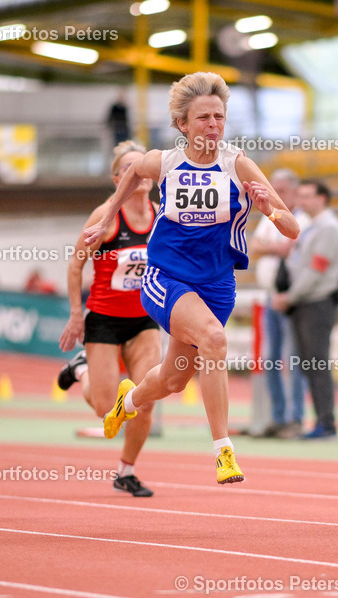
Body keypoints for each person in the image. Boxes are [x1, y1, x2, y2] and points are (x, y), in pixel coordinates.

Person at [82, 72, 300, 484]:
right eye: (203, 117)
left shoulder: (238, 165)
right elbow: (131, 173)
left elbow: (291, 229)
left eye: (219, 116)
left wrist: (268, 207)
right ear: (182, 124)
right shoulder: (165, 162)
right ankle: (224, 451)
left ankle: (127, 402)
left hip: (217, 286)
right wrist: (107, 217)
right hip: (167, 278)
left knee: (173, 379)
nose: (213, 125)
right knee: (215, 340)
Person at [57, 140, 161, 497]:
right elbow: (76, 263)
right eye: (131, 168)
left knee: (144, 401)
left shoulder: (164, 216)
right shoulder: (104, 218)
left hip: (146, 319)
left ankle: (125, 472)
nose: (140, 174)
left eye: (144, 167)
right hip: (104, 319)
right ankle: (81, 369)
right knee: (107, 410)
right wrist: (76, 314)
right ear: (118, 179)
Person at [273, 180, 338, 440]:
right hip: (305, 302)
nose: (301, 201)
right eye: (300, 196)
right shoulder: (312, 226)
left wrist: (289, 297)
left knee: (317, 363)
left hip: (317, 302)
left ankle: (327, 423)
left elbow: (316, 271)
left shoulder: (328, 229)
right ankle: (323, 421)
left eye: (307, 196)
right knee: (310, 364)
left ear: (322, 198)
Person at [248, 167, 307, 439]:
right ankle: (278, 417)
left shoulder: (302, 219)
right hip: (270, 297)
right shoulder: (270, 215)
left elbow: (288, 247)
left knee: (293, 360)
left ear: (295, 192)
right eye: (275, 190)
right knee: (270, 359)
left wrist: (268, 247)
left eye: (281, 191)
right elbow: (255, 246)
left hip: (292, 299)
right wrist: (274, 248)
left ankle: (295, 419)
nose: (276, 195)